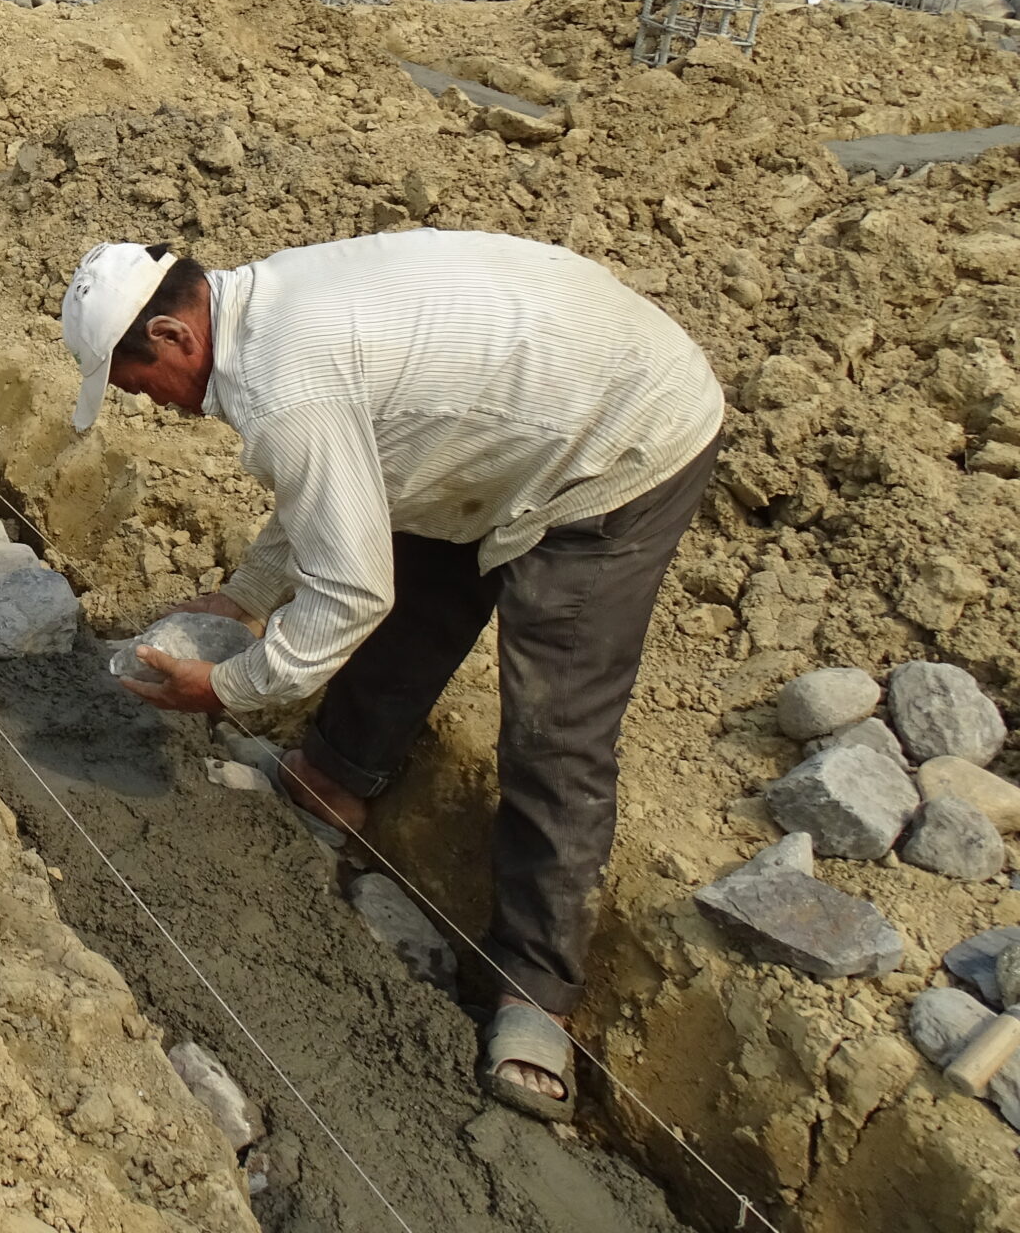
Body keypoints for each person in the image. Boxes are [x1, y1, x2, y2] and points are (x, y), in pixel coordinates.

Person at [62, 230, 722, 1125]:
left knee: (555, 723)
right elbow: (331, 494)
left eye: (139, 384)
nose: (152, 404)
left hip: (617, 438)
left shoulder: (284, 379)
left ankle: (534, 990)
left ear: (176, 338)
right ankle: (336, 777)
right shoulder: (267, 311)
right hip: (511, 414)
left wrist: (224, 689)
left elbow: (347, 592)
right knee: (418, 580)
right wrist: (247, 598)